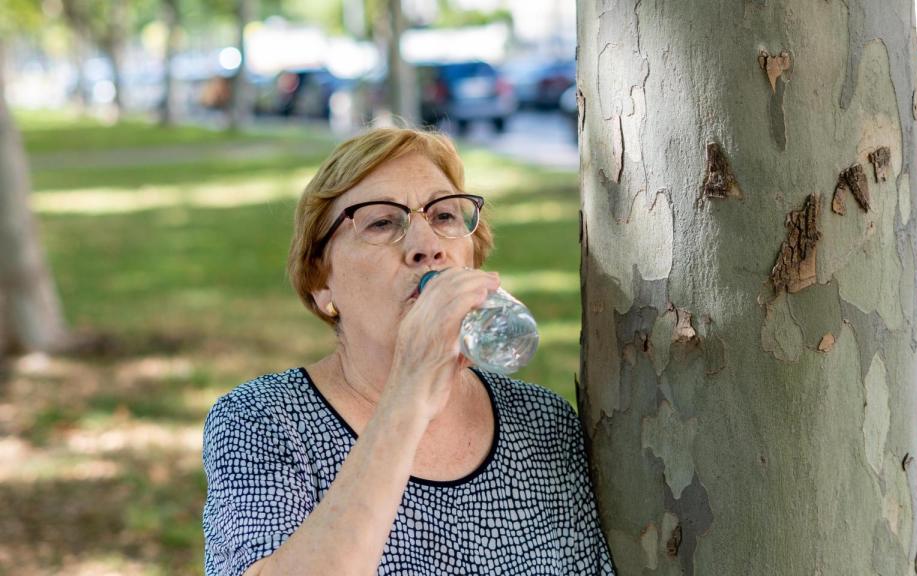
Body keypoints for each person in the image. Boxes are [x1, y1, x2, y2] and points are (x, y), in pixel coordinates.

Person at [201, 127, 615, 575]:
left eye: (443, 217)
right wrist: (410, 392)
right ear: (321, 283)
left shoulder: (545, 423)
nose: (427, 247)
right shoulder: (262, 421)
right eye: (381, 222)